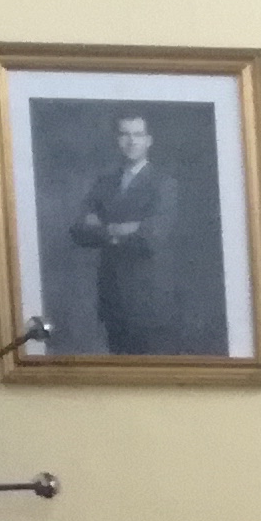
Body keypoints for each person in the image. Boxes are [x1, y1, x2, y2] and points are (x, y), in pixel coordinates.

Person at [67, 109, 183, 353]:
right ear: (117, 140)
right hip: (112, 297)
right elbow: (79, 230)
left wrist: (103, 228)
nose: (131, 141)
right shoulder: (105, 183)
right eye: (124, 134)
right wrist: (123, 229)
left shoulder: (164, 183)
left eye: (138, 135)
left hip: (149, 299)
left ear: (149, 140)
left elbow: (151, 237)